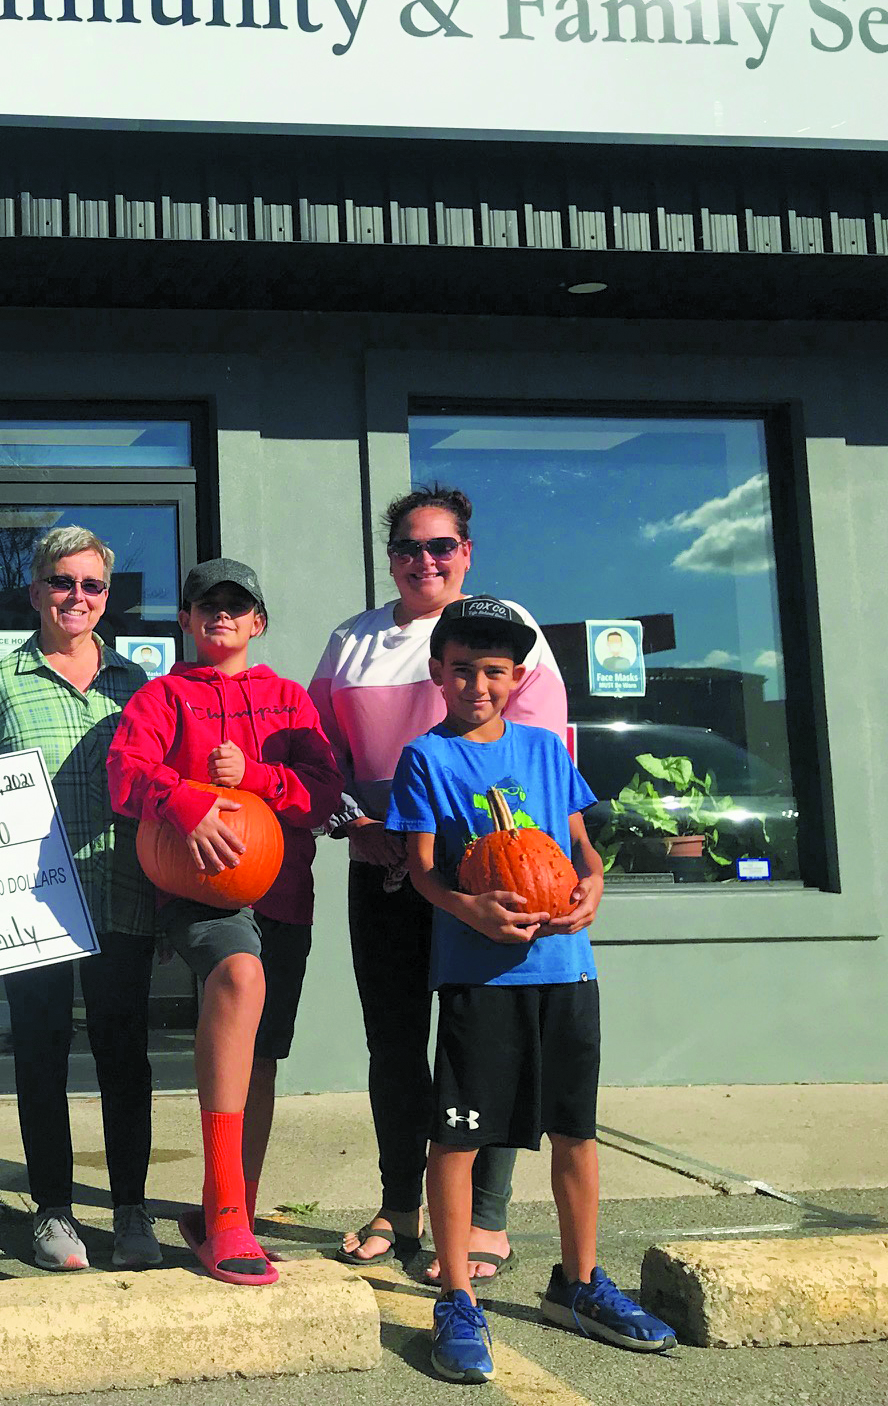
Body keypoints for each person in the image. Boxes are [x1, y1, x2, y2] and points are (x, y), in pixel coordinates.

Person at [388, 597, 676, 1384]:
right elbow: (421, 869)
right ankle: (455, 1295)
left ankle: (578, 1285)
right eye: (461, 670)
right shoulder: (427, 758)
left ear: (516, 677)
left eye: (493, 671)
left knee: (575, 1133)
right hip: (480, 977)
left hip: (565, 971)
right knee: (458, 1137)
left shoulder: (548, 749)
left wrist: (594, 888)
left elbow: (581, 850)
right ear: (438, 675)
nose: (477, 684)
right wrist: (467, 905)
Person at [308, 484, 567, 1282]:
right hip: (381, 872)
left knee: (485, 1041)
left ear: (467, 553)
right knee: (394, 1044)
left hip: (487, 875)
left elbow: (545, 754)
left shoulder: (509, 631)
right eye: (409, 548)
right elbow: (320, 760)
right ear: (391, 559)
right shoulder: (351, 642)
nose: (425, 560)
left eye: (441, 546)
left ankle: (485, 1213)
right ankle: (401, 1203)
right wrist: (356, 824)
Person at [107, 558, 342, 1286]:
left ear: (257, 622)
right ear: (184, 620)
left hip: (284, 896)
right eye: (206, 605)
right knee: (238, 975)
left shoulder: (291, 700)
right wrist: (188, 800)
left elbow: (326, 793)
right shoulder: (163, 695)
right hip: (202, 894)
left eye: (236, 606)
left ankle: (230, 1207)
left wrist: (261, 780)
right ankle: (226, 1211)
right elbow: (124, 773)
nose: (221, 616)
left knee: (262, 1055)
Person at [0, 527, 163, 1273]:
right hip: (36, 900)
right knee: (41, 1055)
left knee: (125, 1055)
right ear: (36, 591)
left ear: (106, 597)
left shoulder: (136, 686)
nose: (75, 597)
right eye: (61, 582)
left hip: (123, 889)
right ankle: (53, 1209)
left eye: (90, 586)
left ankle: (131, 1208)